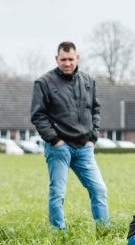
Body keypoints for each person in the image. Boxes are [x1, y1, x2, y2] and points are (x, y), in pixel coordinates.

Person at [30, 41, 109, 233]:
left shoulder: (88, 81)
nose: (67, 63)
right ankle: (59, 233)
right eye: (63, 59)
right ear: (56, 59)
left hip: (84, 148)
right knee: (58, 192)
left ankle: (104, 231)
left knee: (99, 189)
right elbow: (38, 116)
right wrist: (55, 141)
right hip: (59, 148)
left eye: (70, 59)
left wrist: (92, 138)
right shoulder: (44, 83)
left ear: (77, 58)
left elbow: (95, 110)